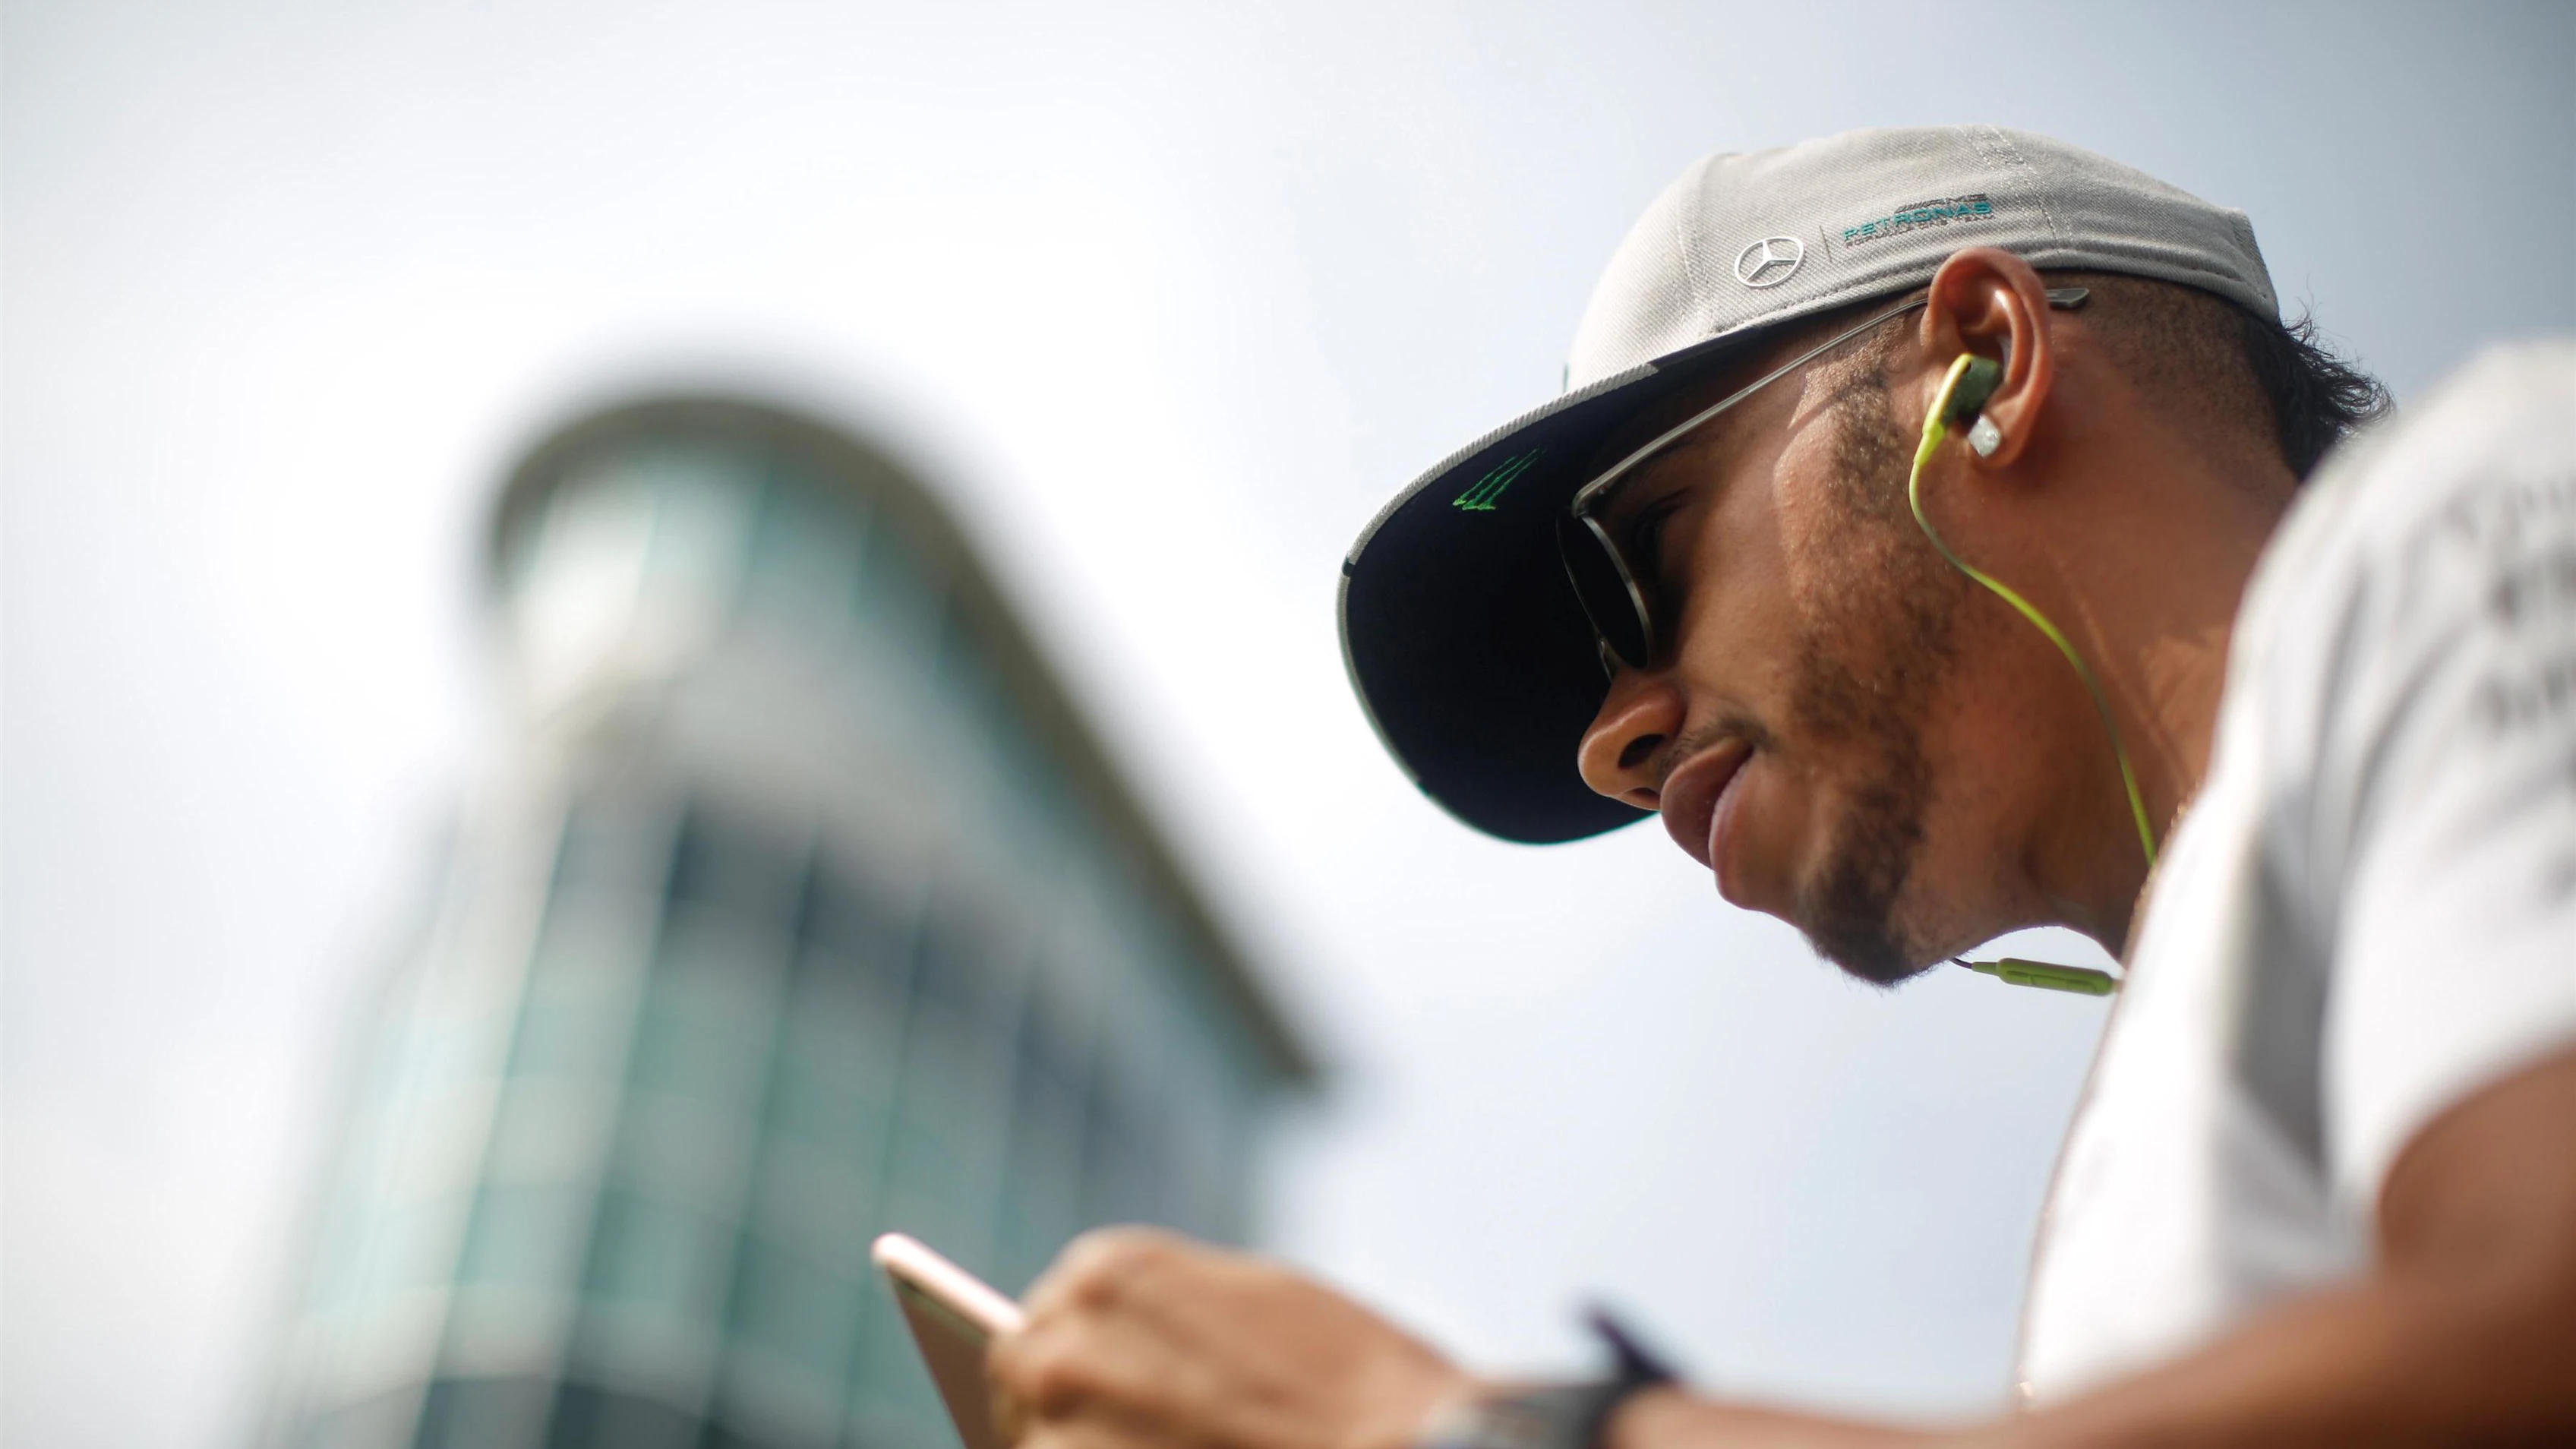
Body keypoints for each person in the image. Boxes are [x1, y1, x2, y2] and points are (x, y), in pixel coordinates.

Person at [986, 126, 2576, 1445]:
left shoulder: (2484, 508)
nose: (1612, 744)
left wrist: (1451, 1429)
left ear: (1983, 362)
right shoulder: (2131, 1188)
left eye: (1639, 559)